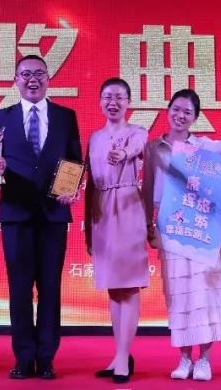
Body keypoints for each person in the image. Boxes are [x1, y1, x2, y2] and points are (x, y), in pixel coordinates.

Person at [0, 54, 82, 380]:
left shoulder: (66, 116)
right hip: (16, 215)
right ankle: (24, 358)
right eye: (26, 74)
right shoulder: (1, 118)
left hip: (53, 215)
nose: (32, 80)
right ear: (16, 80)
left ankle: (47, 357)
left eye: (39, 73)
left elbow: (74, 160)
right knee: (20, 289)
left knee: (51, 288)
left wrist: (67, 190)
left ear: (48, 79)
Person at [142, 89, 221, 382]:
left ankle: (204, 359)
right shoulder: (154, 148)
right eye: (176, 110)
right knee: (177, 292)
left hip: (203, 228)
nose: (180, 116)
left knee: (205, 293)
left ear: (195, 118)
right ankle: (183, 358)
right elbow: (148, 187)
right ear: (168, 110)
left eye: (187, 112)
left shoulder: (204, 146)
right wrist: (148, 223)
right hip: (170, 227)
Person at [84, 78, 149, 384]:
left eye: (119, 97)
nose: (113, 102)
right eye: (107, 96)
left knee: (130, 285)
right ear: (100, 102)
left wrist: (124, 154)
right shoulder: (94, 138)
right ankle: (119, 354)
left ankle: (124, 357)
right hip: (101, 210)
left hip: (128, 205)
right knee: (113, 286)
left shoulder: (137, 132)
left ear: (128, 102)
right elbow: (86, 180)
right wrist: (86, 225)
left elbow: (137, 149)